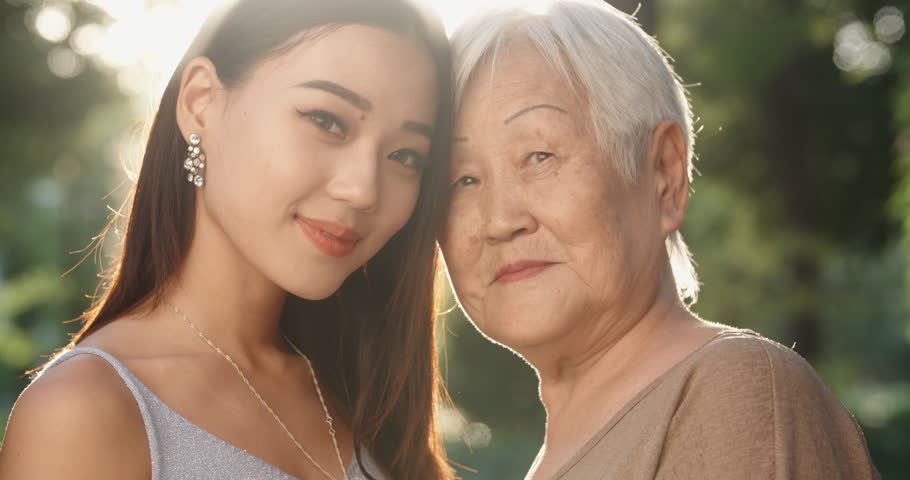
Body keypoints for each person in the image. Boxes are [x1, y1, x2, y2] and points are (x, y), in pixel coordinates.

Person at [0, 0, 454, 479]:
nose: (363, 189)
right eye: (327, 120)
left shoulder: (366, 394)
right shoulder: (84, 413)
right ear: (200, 102)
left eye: (406, 155)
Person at [440, 1, 880, 478]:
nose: (500, 219)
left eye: (540, 155)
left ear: (664, 174)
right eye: (460, 180)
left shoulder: (733, 392)